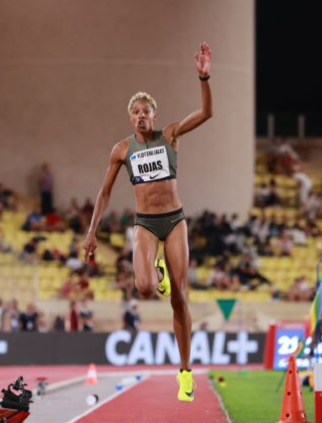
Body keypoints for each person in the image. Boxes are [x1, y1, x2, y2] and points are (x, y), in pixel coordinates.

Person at [83, 42, 212, 402]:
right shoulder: (121, 150)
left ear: (154, 116)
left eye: (146, 111)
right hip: (144, 224)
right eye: (135, 112)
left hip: (174, 221)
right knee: (142, 288)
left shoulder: (170, 134)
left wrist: (204, 76)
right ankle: (157, 270)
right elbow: (105, 193)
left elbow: (206, 112)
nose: (141, 116)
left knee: (180, 298)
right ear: (130, 119)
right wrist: (91, 232)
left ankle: (184, 372)